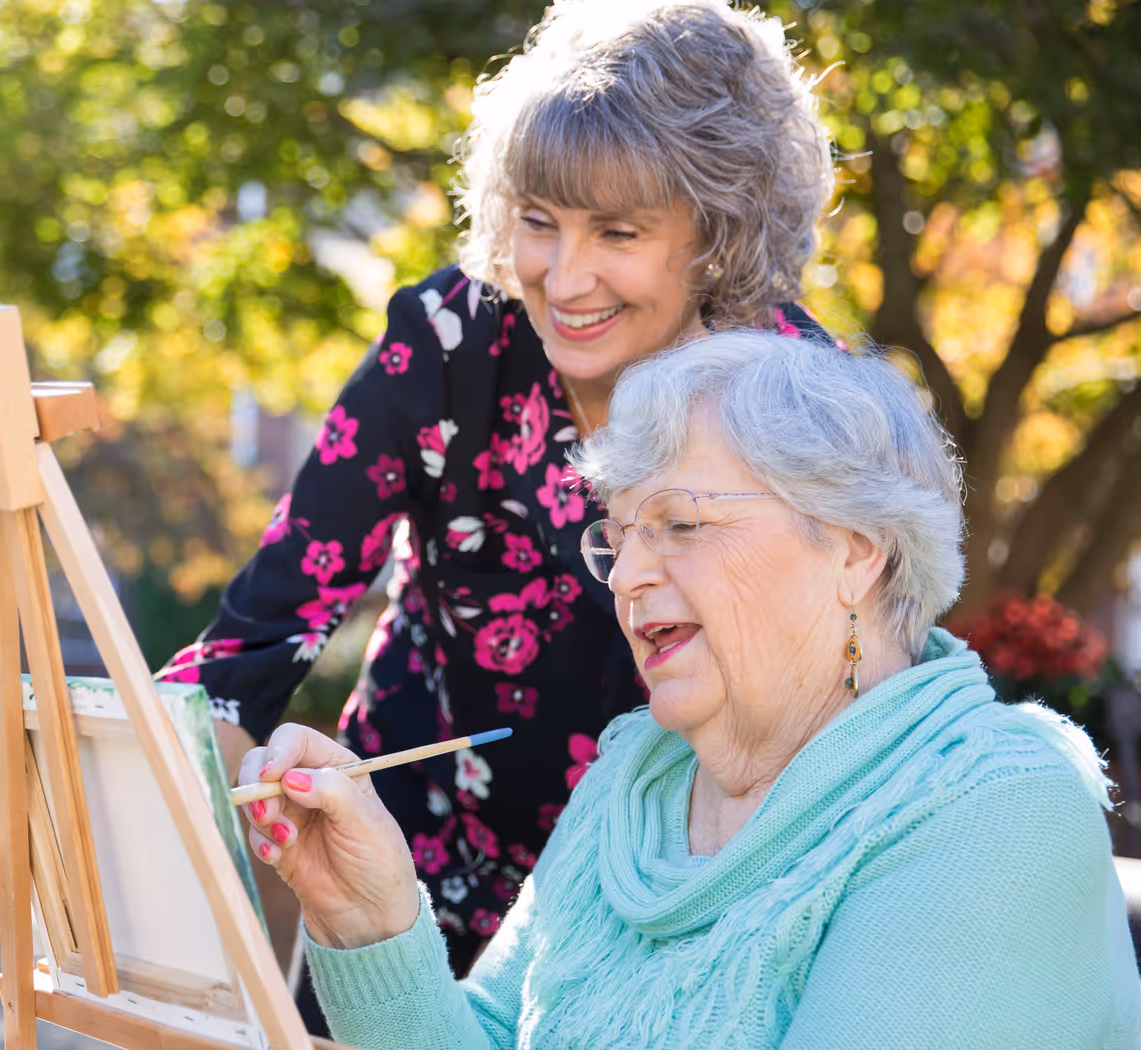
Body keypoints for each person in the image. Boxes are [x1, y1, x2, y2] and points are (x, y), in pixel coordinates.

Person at [238, 331, 1141, 1050]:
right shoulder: (640, 770)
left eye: (679, 522)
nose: (626, 576)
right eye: (619, 534)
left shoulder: (993, 812)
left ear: (856, 552)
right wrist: (369, 917)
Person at [161, 0, 840, 985]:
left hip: (669, 905)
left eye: (618, 231)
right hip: (404, 875)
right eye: (538, 221)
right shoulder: (447, 340)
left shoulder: (794, 397)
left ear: (717, 232)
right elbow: (258, 640)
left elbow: (833, 696)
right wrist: (148, 777)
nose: (564, 278)